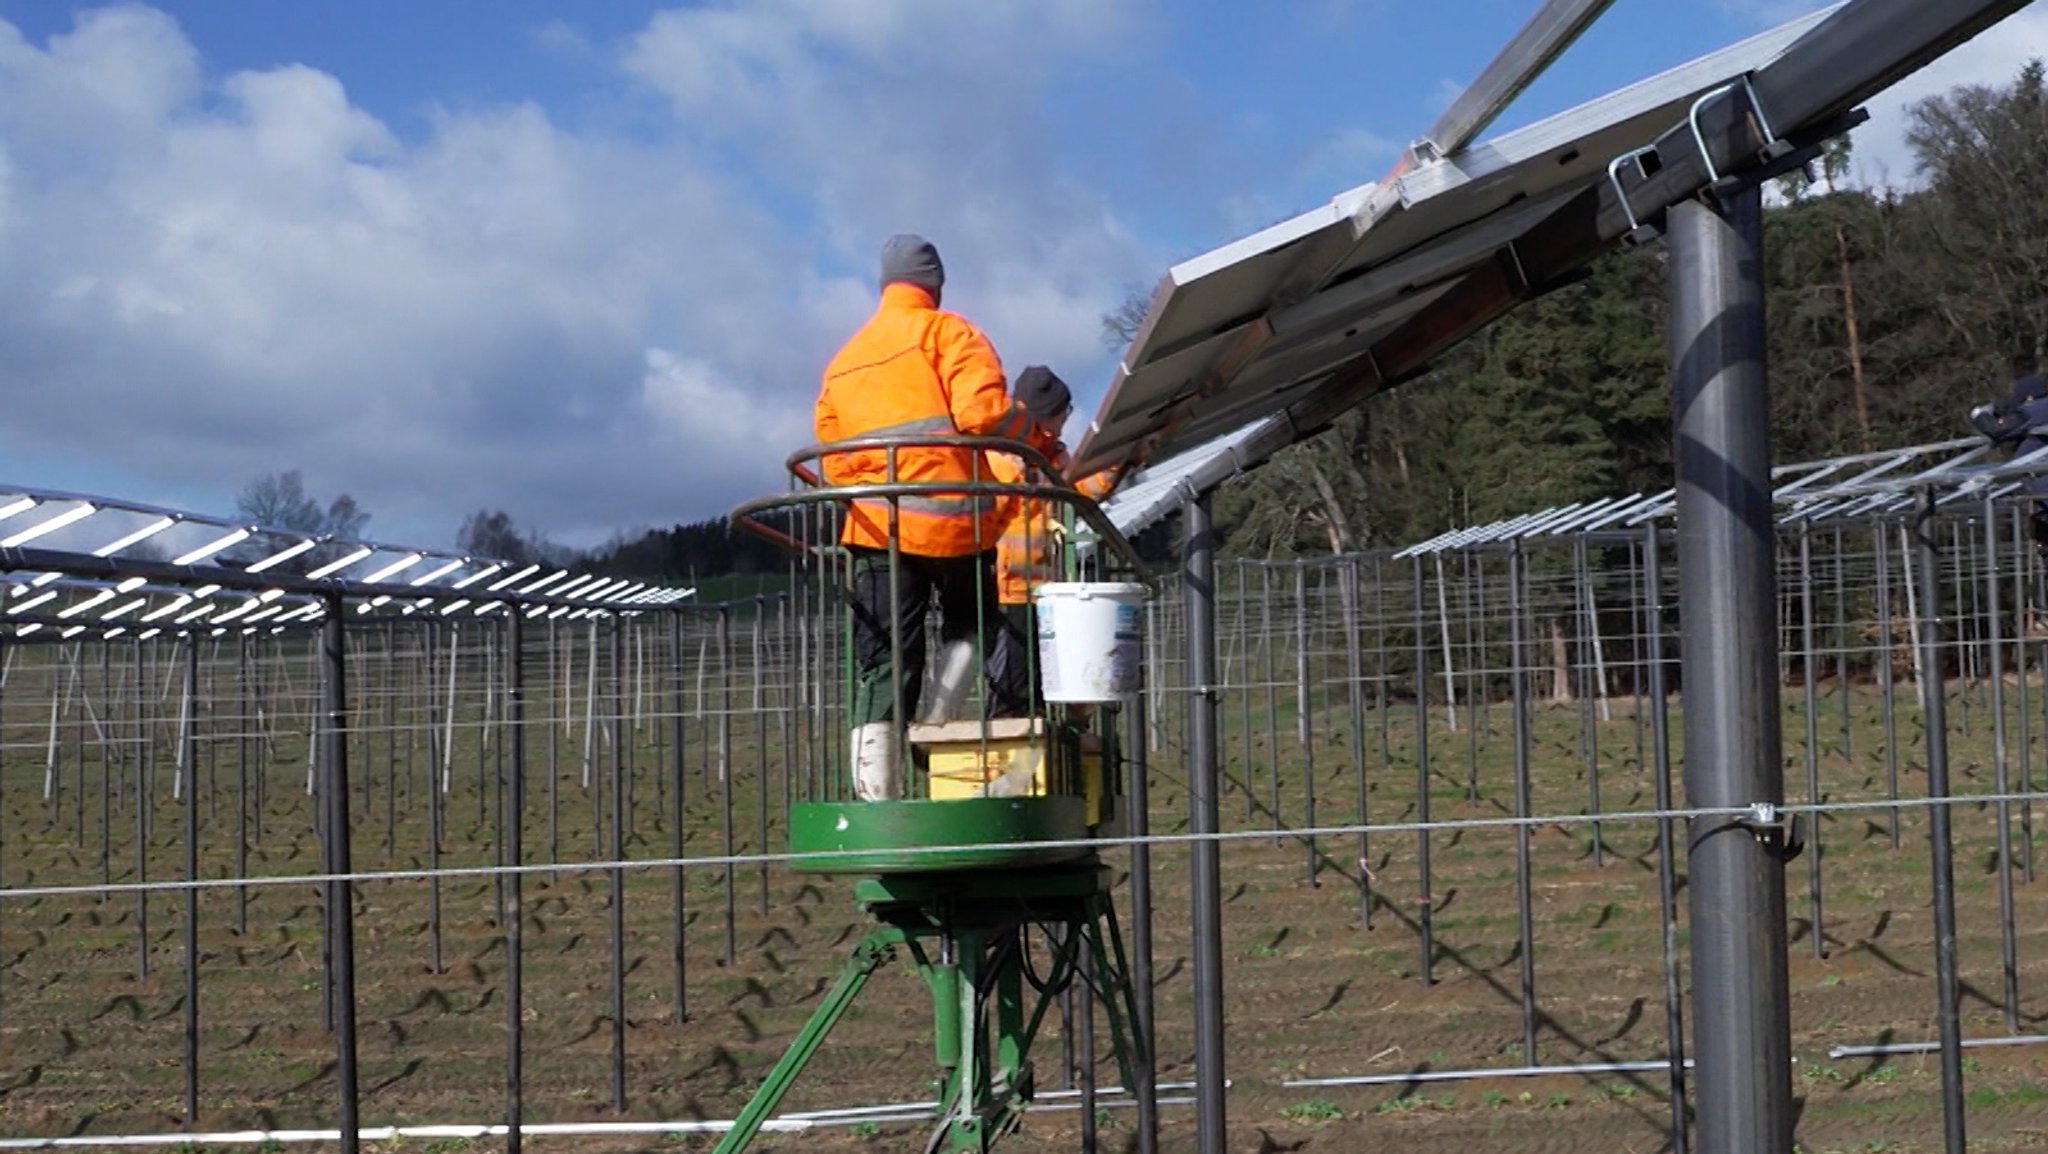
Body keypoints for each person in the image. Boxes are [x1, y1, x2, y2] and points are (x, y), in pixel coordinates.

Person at [814, 234, 1055, 800]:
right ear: (936, 285)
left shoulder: (845, 359)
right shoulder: (950, 333)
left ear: (884, 286)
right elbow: (981, 413)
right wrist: (1032, 435)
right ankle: (940, 722)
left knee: (883, 653)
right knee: (970, 625)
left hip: (875, 529)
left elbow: (827, 443)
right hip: (953, 524)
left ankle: (876, 796)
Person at [988, 366, 1121, 702]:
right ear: (1051, 415)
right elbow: (982, 520)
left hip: (1041, 590)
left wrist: (1117, 462)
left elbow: (1078, 493)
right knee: (1011, 691)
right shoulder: (1004, 459)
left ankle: (1037, 746)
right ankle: (1009, 747)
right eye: (1065, 412)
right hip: (1007, 591)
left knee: (1036, 689)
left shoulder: (1050, 457)